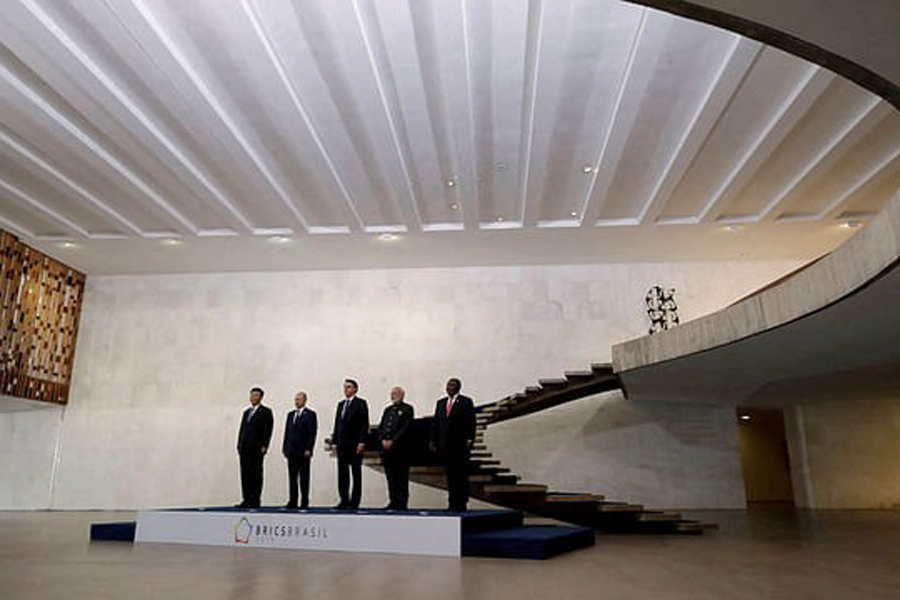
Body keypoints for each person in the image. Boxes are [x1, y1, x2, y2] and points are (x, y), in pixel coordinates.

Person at [431, 378, 476, 511]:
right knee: (450, 475)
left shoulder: (466, 402)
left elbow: (471, 422)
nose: (449, 387)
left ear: (458, 387)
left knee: (460, 475)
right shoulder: (441, 403)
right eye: (448, 385)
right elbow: (436, 423)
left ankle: (461, 503)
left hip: (460, 445)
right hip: (445, 445)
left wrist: (469, 439)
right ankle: (452, 503)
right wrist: (433, 440)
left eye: (452, 385)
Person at [329, 379, 369, 509]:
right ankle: (344, 499)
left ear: (355, 389)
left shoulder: (360, 403)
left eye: (349, 387)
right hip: (342, 444)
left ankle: (355, 501)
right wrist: (335, 441)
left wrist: (362, 442)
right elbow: (337, 424)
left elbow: (364, 424)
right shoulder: (341, 405)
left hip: (355, 444)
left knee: (356, 473)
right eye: (345, 387)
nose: (346, 389)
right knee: (342, 473)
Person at [378, 386, 415, 510]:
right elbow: (382, 426)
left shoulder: (407, 409)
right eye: (392, 393)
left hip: (400, 450)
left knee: (401, 478)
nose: (393, 395)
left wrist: (393, 441)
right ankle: (393, 501)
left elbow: (406, 428)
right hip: (387, 450)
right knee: (391, 477)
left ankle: (402, 503)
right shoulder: (388, 410)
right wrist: (382, 439)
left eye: (396, 393)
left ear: (402, 395)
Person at [236, 387, 274, 509]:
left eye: (256, 396)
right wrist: (239, 444)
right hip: (244, 448)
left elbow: (268, 430)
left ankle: (255, 499)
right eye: (252, 395)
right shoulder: (246, 412)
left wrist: (265, 445)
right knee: (245, 473)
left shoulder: (265, 412)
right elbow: (242, 430)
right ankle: (246, 498)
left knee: (256, 474)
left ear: (261, 397)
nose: (253, 398)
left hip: (256, 448)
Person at [282, 391, 317, 509]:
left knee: (304, 477)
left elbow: (312, 433)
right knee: (292, 478)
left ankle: (304, 501)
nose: (297, 401)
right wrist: (285, 447)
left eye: (299, 399)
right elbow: (287, 432)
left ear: (305, 400)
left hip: (303, 451)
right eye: (295, 399)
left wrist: (309, 448)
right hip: (291, 451)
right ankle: (293, 500)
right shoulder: (290, 415)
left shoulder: (310, 414)